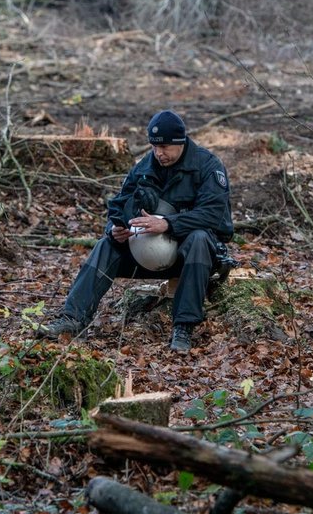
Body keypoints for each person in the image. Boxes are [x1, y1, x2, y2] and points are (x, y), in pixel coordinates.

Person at [38, 110, 235, 352]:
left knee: (199, 237)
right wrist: (115, 229)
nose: (158, 153)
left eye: (164, 147)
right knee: (106, 245)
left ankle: (183, 326)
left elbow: (213, 214)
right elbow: (119, 205)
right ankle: (72, 318)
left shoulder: (207, 166)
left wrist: (169, 224)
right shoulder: (144, 167)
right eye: (154, 147)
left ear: (180, 142)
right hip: (145, 254)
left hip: (194, 258)